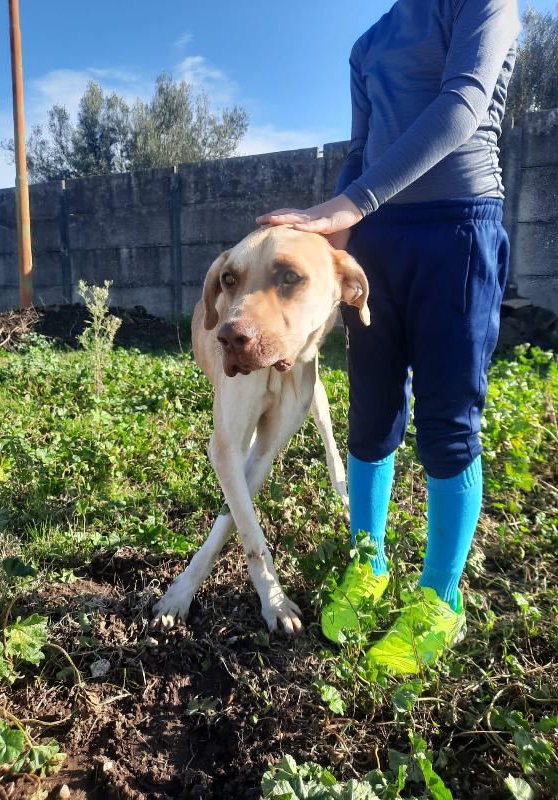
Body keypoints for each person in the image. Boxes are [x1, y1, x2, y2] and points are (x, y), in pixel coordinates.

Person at [256, 0, 521, 675]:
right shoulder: (368, 43)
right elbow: (359, 155)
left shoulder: (485, 4)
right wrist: (327, 241)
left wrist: (351, 204)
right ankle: (367, 564)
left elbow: (463, 102)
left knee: (446, 423)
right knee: (371, 416)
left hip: (458, 231)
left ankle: (439, 600)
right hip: (375, 244)